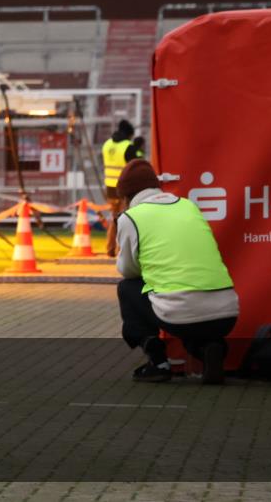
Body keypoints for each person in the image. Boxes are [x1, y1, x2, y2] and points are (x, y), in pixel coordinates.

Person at [114, 159, 239, 385]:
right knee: (186, 305)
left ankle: (158, 362)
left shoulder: (130, 217)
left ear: (127, 196)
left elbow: (128, 270)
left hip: (180, 313)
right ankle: (210, 348)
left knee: (128, 288)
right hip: (226, 313)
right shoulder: (188, 205)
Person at [102, 119, 134, 257]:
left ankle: (110, 249)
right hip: (124, 187)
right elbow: (133, 167)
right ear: (129, 133)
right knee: (125, 219)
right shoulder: (128, 146)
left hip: (109, 187)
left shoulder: (107, 144)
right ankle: (122, 251)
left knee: (114, 218)